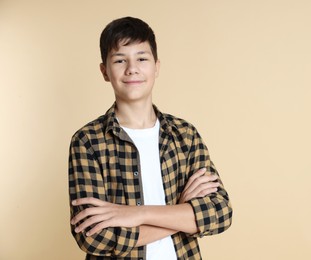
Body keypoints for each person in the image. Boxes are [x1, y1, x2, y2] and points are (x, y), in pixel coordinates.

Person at [68, 16, 233, 260]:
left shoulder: (184, 135)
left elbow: (220, 212)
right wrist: (181, 212)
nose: (132, 68)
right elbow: (93, 236)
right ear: (104, 71)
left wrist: (137, 214)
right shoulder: (88, 141)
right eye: (120, 60)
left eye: (142, 58)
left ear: (156, 66)